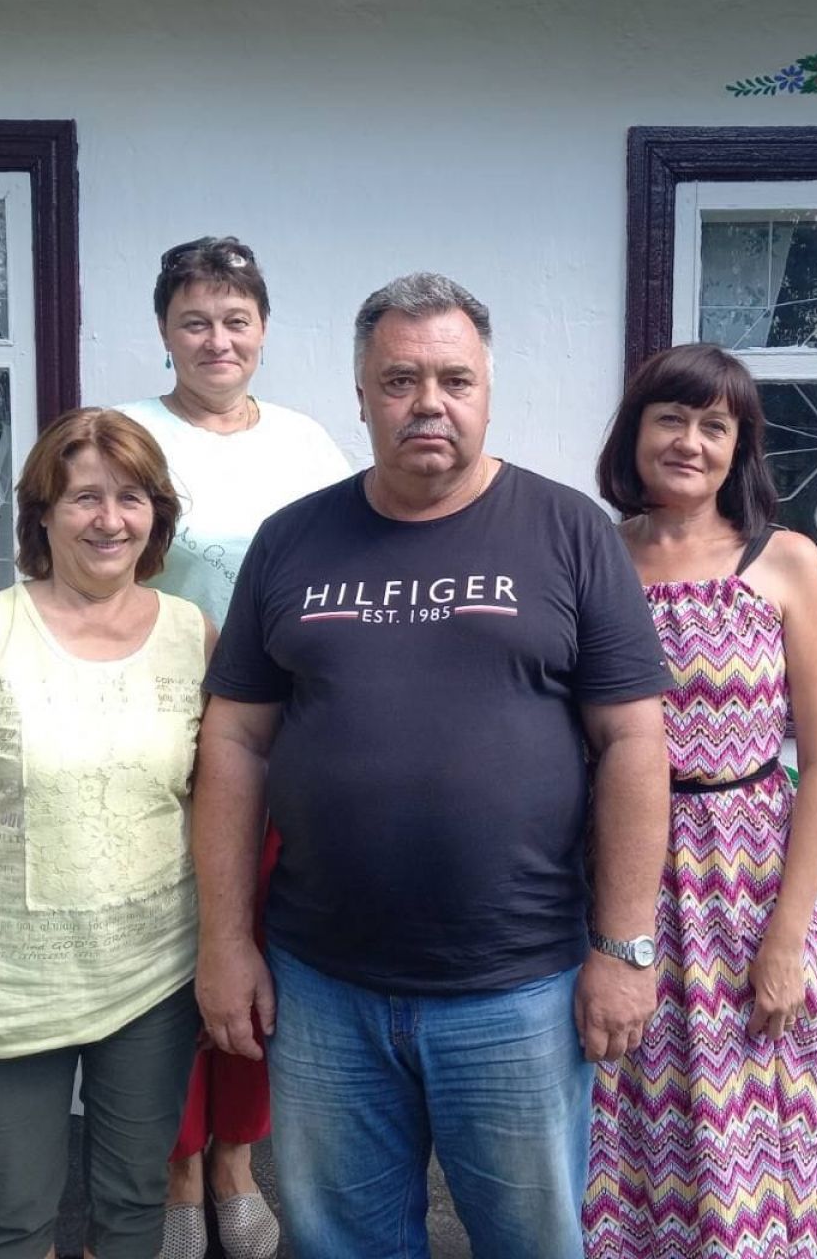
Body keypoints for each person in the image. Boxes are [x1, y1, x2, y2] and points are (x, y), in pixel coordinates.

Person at [193, 273, 673, 1259]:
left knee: (532, 1243)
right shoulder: (292, 540)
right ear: (361, 395)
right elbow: (234, 743)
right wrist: (225, 941)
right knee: (343, 1244)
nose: (428, 403)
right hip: (322, 984)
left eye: (454, 380)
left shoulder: (568, 532)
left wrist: (624, 948)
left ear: (487, 390)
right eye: (399, 380)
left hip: (519, 988)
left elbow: (634, 741)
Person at [0, 407, 209, 1259]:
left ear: (156, 516)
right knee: (14, 1222)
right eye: (85, 496)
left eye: (131, 497)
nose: (109, 519)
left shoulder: (193, 637)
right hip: (6, 986)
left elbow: (210, 811)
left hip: (153, 979)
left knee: (134, 1208)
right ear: (43, 513)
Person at [584, 343, 817, 1259]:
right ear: (636, 433)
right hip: (619, 882)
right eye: (671, 419)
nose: (689, 442)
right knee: (623, 1121)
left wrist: (787, 937)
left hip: (746, 889)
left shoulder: (784, 561)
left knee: (750, 1135)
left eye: (714, 425)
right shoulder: (594, 556)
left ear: (740, 447)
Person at [116, 235, 349, 1259]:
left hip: (282, 733)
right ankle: (173, 1167)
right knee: (167, 955)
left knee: (255, 940)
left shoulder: (306, 444)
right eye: (196, 321)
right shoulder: (125, 435)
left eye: (236, 320)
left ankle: (234, 1163)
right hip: (152, 729)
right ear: (165, 331)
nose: (218, 339)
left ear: (263, 331)